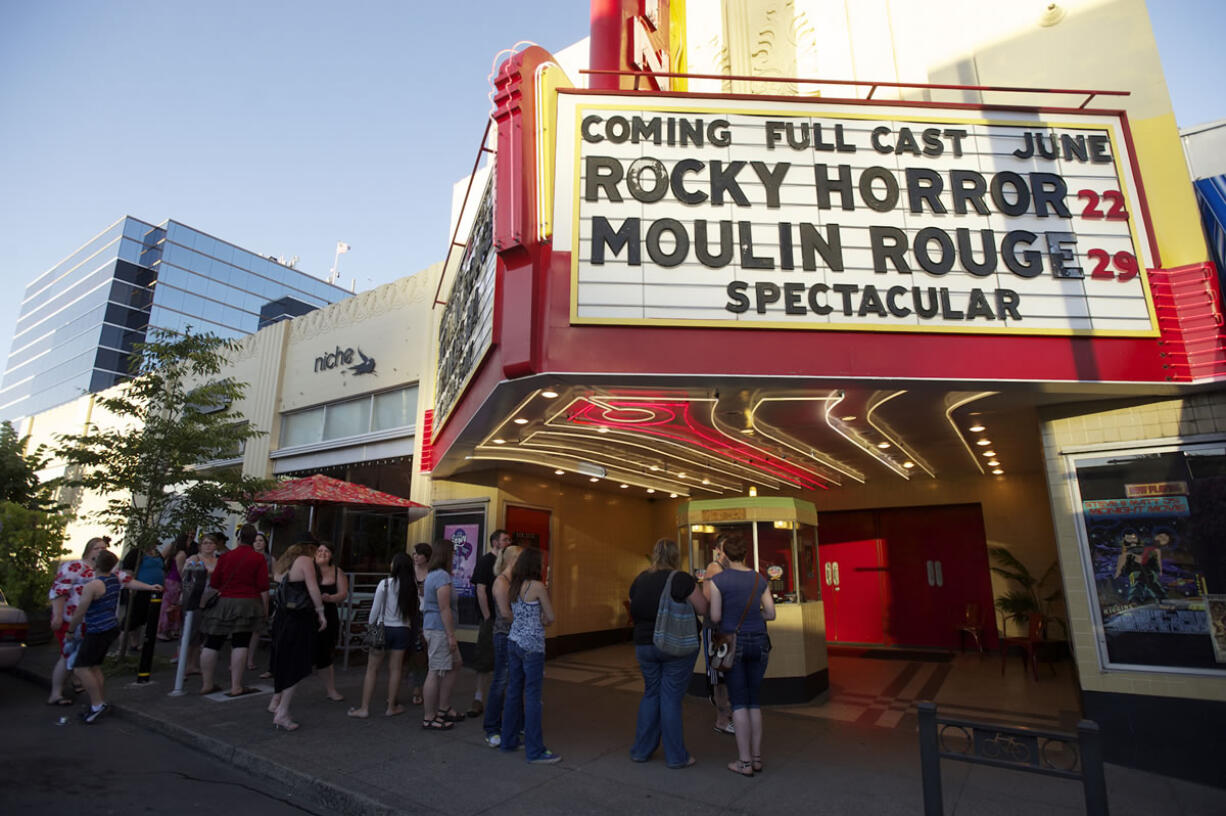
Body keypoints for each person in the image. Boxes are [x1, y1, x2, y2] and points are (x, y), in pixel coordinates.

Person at [627, 538, 708, 769]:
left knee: (651, 693)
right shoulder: (681, 579)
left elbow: (634, 605)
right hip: (675, 646)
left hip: (644, 645)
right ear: (675, 556)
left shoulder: (640, 579)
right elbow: (702, 608)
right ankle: (676, 756)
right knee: (671, 698)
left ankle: (641, 751)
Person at [46, 537, 149, 705]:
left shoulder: (107, 570)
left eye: (103, 548)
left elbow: (127, 581)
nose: (101, 550)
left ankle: (84, 689)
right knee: (68, 656)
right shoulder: (73, 567)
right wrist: (57, 615)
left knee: (85, 660)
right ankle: (56, 693)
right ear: (88, 550)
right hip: (71, 619)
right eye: (97, 548)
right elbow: (59, 591)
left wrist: (150, 587)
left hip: (92, 622)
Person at [708, 534, 776, 777]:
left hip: (732, 643)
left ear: (724, 554)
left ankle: (744, 762)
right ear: (746, 553)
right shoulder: (759, 579)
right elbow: (771, 613)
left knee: (738, 703)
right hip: (759, 642)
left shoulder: (719, 580)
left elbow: (715, 617)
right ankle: (756, 758)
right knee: (754, 701)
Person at [68, 550, 161, 723]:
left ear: (96, 563)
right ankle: (100, 701)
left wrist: (70, 630)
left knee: (81, 668)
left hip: (97, 630)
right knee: (94, 667)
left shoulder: (94, 585)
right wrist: (150, 587)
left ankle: (96, 705)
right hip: (111, 627)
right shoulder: (115, 578)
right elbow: (131, 583)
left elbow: (81, 611)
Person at [500, 548, 561, 764]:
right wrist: (542, 619)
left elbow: (515, 613)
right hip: (532, 646)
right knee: (533, 697)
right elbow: (550, 617)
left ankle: (508, 740)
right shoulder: (537, 587)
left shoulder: (514, 586)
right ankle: (535, 750)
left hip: (514, 641)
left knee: (514, 692)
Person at [199, 524, 269, 696]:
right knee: (241, 642)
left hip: (224, 602)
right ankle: (236, 685)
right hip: (248, 602)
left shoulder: (226, 556)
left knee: (212, 642)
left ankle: (206, 683)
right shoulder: (258, 559)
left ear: (238, 538)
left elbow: (215, 582)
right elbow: (262, 585)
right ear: (253, 540)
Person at [348, 552, 419, 718]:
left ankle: (364, 708)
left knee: (372, 669)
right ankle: (391, 707)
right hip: (402, 630)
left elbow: (374, 610)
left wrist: (370, 627)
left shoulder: (384, 584)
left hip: (382, 628)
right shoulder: (411, 586)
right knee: (396, 669)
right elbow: (413, 612)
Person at [268, 541, 327, 731]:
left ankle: (276, 701)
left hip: (283, 617)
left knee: (283, 659)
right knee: (297, 661)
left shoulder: (284, 565)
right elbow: (312, 588)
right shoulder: (305, 561)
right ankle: (282, 711)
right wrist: (320, 612)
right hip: (299, 618)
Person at [421, 539, 464, 730]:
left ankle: (443, 708)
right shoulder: (441, 577)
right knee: (435, 670)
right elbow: (444, 607)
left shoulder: (434, 575)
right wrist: (450, 635)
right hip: (439, 629)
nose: (454, 556)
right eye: (452, 552)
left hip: (436, 628)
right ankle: (429, 717)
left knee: (455, 663)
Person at [482, 544, 522, 747]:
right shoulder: (501, 582)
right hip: (504, 636)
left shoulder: (515, 581)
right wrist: (526, 622)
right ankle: (491, 727)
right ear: (512, 560)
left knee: (514, 681)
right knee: (501, 680)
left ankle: (513, 724)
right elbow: (505, 614)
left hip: (514, 636)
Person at [468, 528, 510, 718]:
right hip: (492, 619)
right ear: (495, 542)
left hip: (505, 619)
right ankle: (478, 698)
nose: (508, 542)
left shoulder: (506, 564)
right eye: (505, 540)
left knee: (503, 661)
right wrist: (487, 616)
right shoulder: (486, 561)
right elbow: (480, 589)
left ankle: (500, 699)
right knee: (484, 659)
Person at [703, 536, 735, 735]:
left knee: (726, 673)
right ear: (718, 550)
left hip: (726, 628)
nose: (727, 553)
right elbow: (707, 597)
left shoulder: (731, 569)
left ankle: (727, 716)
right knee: (718, 676)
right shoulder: (714, 568)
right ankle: (722, 720)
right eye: (724, 549)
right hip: (715, 630)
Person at [180, 532, 221, 676]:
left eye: (211, 543)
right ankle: (182, 666)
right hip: (195, 598)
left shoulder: (218, 560)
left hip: (212, 598)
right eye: (205, 543)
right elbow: (187, 574)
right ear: (200, 546)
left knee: (201, 634)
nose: (208, 546)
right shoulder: (194, 558)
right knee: (189, 632)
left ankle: (193, 664)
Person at [314, 541, 348, 701]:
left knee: (325, 652)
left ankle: (331, 689)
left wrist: (330, 598)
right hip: (308, 613)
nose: (322, 553)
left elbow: (343, 594)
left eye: (326, 551)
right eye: (320, 550)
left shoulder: (337, 572)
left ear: (332, 554)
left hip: (329, 614)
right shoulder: (309, 570)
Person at [120, 541, 166, 652]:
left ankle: (135, 644)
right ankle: (121, 648)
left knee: (142, 620)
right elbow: (127, 571)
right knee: (131, 619)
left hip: (153, 590)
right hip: (138, 590)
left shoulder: (157, 553)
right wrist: (131, 588)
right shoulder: (136, 553)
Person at [407, 542, 431, 706]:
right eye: (414, 554)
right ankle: (414, 684)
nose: (415, 557)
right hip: (410, 614)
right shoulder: (409, 572)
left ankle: (420, 686)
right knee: (411, 652)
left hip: (426, 614)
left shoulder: (432, 573)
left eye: (418, 554)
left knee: (423, 652)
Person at [248, 532, 274, 672]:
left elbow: (275, 575)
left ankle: (250, 658)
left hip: (263, 593)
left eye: (261, 540)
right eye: (255, 540)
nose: (258, 543)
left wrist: (266, 575)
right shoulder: (248, 557)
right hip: (249, 593)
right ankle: (240, 657)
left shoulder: (270, 559)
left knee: (256, 629)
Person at [157, 534, 190, 641]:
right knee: (171, 606)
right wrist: (185, 582)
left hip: (168, 580)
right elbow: (181, 570)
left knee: (166, 605)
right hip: (175, 582)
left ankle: (164, 629)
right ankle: (164, 629)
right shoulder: (182, 554)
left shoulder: (173, 552)